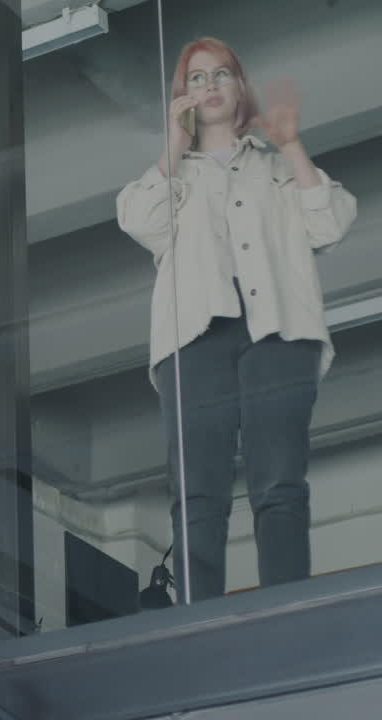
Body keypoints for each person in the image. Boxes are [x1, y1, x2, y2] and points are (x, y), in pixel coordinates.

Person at [117, 38, 357, 602]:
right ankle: (200, 619)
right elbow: (138, 218)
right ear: (183, 99)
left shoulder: (275, 168)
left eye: (221, 74)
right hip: (195, 336)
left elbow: (332, 222)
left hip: (278, 330)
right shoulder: (177, 176)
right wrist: (174, 145)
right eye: (196, 78)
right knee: (198, 491)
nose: (210, 85)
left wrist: (292, 144)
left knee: (279, 481)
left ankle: (288, 608)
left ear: (239, 88)